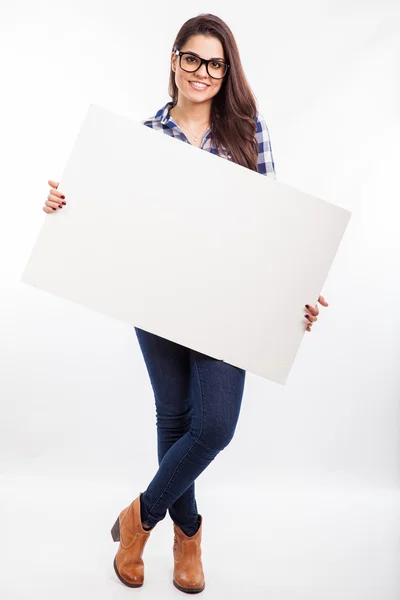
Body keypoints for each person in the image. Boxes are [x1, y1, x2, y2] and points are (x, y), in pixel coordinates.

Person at [43, 12, 328, 594]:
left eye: (215, 64)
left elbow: (280, 230)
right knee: (174, 417)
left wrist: (299, 292)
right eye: (193, 59)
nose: (203, 72)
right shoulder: (144, 136)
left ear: (227, 73)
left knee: (215, 426)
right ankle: (189, 533)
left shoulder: (250, 132)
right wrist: (64, 209)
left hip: (231, 304)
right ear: (175, 60)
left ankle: (139, 518)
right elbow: (111, 219)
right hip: (157, 296)